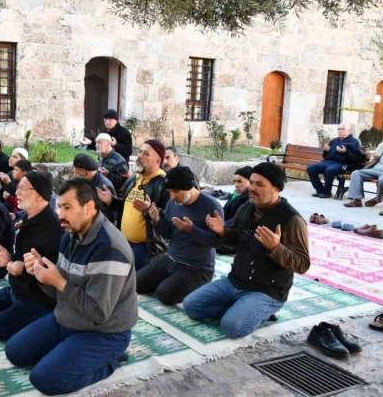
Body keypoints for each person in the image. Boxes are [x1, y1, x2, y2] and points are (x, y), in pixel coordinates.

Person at [4, 178, 137, 395]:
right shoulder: (70, 237)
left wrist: (58, 281)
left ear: (89, 208)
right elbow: (58, 292)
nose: (60, 214)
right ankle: (70, 350)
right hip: (67, 318)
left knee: (44, 380)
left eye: (67, 207)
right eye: (59, 206)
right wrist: (40, 273)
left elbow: (98, 312)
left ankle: (110, 360)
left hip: (103, 332)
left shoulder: (110, 249)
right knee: (15, 352)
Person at [184, 162, 310, 338]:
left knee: (231, 327)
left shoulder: (292, 220)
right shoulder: (245, 208)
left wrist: (276, 248)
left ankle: (262, 311)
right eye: (252, 183)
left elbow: (303, 264)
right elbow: (234, 242)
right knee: (191, 306)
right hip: (234, 282)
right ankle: (242, 308)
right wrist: (222, 231)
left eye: (260, 184)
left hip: (266, 291)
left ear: (276, 188)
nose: (252, 188)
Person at [0, 172, 64, 341]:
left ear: (38, 194)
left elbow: (55, 271)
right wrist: (9, 259)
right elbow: (23, 256)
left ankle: (44, 322)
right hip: (17, 288)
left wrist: (25, 269)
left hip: (38, 297)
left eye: (22, 188)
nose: (17, 193)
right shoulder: (28, 218)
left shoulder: (55, 228)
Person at [137, 166, 223, 305]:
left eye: (176, 191)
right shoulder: (173, 203)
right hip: (171, 258)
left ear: (189, 187)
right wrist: (157, 220)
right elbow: (169, 234)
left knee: (164, 294)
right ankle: (173, 280)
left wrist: (192, 230)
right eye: (170, 192)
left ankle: (198, 286)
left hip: (197, 268)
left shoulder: (211, 206)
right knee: (137, 284)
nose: (172, 196)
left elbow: (218, 243)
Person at [98, 140, 170, 270]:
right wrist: (111, 201)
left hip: (147, 247)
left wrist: (149, 211)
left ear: (157, 162)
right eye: (140, 152)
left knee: (117, 270)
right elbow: (127, 205)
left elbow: (169, 220)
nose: (140, 156)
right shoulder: (134, 178)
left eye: (146, 154)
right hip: (124, 240)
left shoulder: (164, 184)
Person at [307, 124, 361, 198]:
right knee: (311, 168)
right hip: (328, 162)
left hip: (342, 164)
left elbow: (357, 159)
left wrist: (345, 152)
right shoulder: (334, 140)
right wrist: (326, 151)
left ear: (348, 131)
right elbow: (325, 156)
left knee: (329, 170)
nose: (340, 131)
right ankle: (320, 190)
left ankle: (326, 192)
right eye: (338, 129)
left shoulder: (354, 142)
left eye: (342, 129)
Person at [73, 153, 117, 223]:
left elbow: (109, 215)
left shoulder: (104, 186)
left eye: (77, 173)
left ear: (86, 173)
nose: (74, 176)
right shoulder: (88, 181)